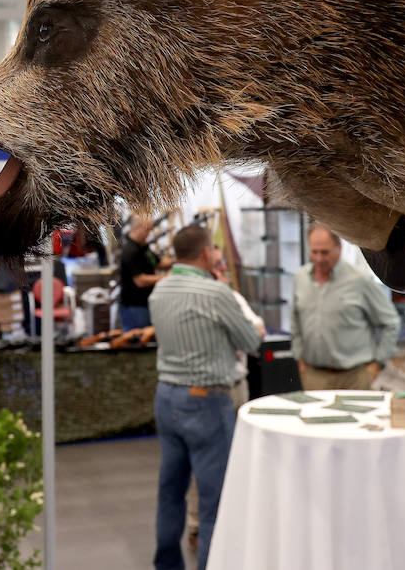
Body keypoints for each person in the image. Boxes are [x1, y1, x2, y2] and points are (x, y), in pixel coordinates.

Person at [148, 225, 262, 570]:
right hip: (206, 401)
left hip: (167, 397)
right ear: (204, 254)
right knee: (214, 500)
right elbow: (251, 341)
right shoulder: (216, 293)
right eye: (213, 249)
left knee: (171, 491)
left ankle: (167, 564)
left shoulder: (159, 290)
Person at [185, 253, 264, 547]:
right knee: (206, 460)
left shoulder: (232, 298)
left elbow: (258, 331)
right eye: (217, 267)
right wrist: (237, 335)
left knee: (237, 456)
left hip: (237, 387)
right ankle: (198, 525)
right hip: (208, 390)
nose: (223, 272)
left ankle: (232, 522)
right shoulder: (194, 299)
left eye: (222, 266)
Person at [290, 225, 402, 391]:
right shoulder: (300, 278)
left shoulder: (360, 280)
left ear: (339, 248)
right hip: (314, 377)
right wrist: (299, 356)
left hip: (355, 378)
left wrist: (378, 363)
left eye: (325, 252)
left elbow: (391, 322)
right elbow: (295, 321)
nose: (319, 258)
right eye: (314, 252)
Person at [119, 216, 173, 330]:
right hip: (135, 307)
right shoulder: (130, 250)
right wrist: (166, 277)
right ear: (136, 228)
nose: (149, 233)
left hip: (145, 303)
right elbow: (140, 281)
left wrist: (181, 259)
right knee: (138, 338)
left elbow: (159, 263)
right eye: (147, 229)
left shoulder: (143, 247)